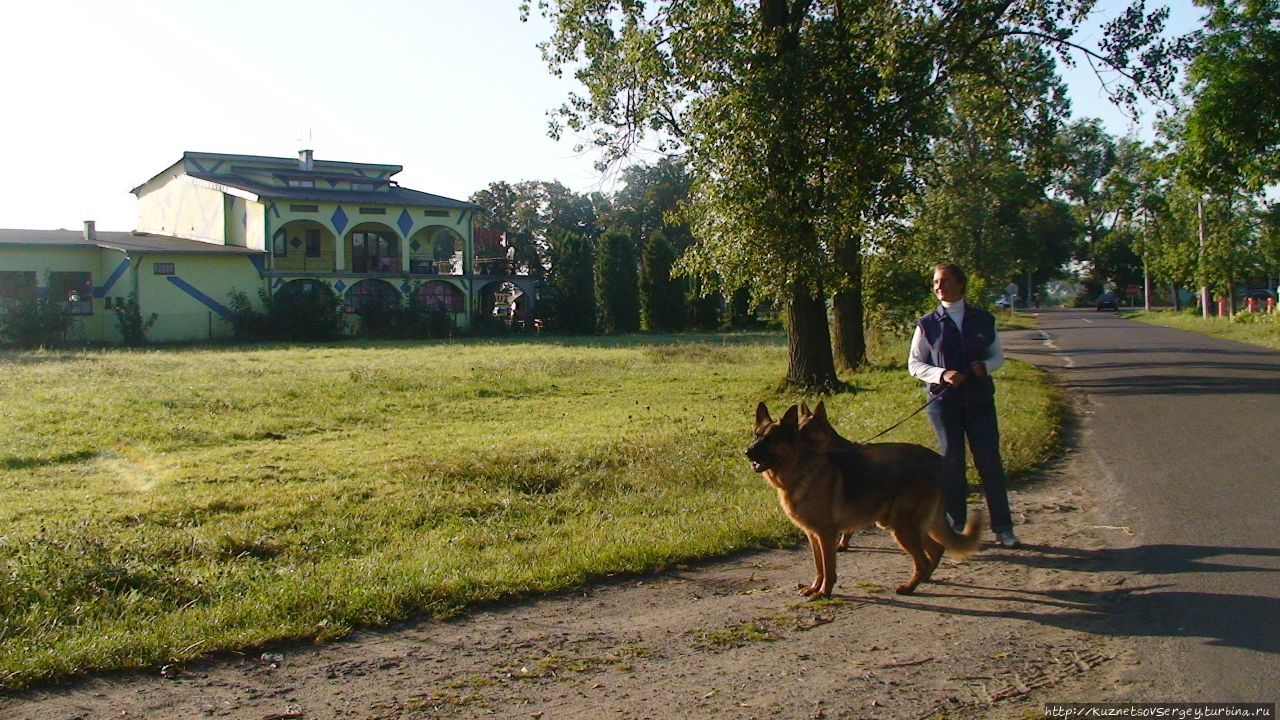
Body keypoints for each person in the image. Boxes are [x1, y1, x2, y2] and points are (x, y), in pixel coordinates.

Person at [908, 263, 1021, 548]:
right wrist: (941, 374)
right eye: (935, 282)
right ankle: (955, 524)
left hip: (980, 401)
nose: (938, 287)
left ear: (960, 284)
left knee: (989, 463)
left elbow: (998, 356)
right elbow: (915, 364)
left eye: (944, 281)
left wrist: (986, 367)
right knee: (952, 463)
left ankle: (1003, 527)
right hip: (944, 403)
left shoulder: (984, 319)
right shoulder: (927, 324)